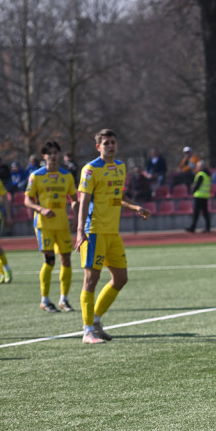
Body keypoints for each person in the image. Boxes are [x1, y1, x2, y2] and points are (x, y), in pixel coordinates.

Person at [74, 129, 151, 344]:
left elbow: (119, 197)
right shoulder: (90, 169)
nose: (110, 146)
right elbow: (83, 201)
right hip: (94, 232)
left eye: (113, 142)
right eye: (106, 143)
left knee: (121, 279)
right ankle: (87, 331)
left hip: (113, 233)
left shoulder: (120, 167)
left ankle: (96, 319)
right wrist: (80, 230)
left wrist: (135, 207)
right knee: (91, 280)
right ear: (98, 146)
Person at [24, 140, 78, 313]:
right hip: (44, 224)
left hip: (62, 223)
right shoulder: (36, 176)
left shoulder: (67, 176)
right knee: (49, 261)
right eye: (50, 153)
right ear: (44, 156)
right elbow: (27, 199)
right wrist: (41, 209)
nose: (53, 156)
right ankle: (45, 300)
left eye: (56, 153)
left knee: (66, 260)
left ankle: (64, 299)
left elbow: (75, 198)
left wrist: (76, 216)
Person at [187, 158, 212, 233]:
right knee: (205, 212)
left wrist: (193, 191)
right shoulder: (207, 174)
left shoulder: (201, 174)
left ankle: (193, 227)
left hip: (199, 195)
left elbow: (197, 185)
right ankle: (207, 227)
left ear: (201, 167)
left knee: (196, 213)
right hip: (205, 195)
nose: (196, 167)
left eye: (197, 166)